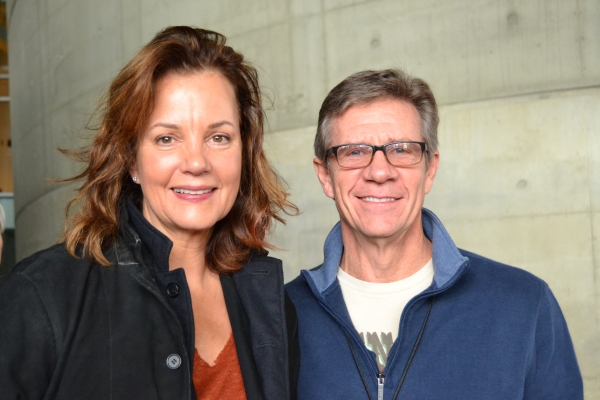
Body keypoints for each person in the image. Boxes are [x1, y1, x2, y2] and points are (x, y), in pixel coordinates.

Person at [0, 26, 299, 400]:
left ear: (244, 152)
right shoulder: (40, 296)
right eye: (166, 138)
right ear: (131, 161)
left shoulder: (268, 300)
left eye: (218, 137)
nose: (196, 162)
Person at [285, 69, 583, 399]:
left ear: (430, 170)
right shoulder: (280, 317)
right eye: (354, 151)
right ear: (325, 176)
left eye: (401, 149)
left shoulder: (524, 305)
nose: (380, 172)